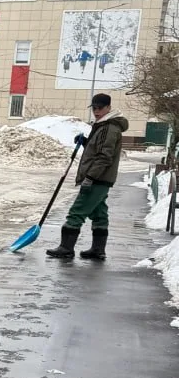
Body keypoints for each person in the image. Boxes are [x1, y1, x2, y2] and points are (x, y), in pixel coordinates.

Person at [47, 93, 128, 260]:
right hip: (102, 178)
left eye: (100, 108)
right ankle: (98, 250)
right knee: (99, 213)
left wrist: (90, 177)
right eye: (94, 108)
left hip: (97, 179)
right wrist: (86, 142)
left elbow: (105, 157)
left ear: (108, 108)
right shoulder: (104, 125)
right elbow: (99, 149)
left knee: (77, 211)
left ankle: (66, 248)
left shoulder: (108, 127)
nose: (96, 111)